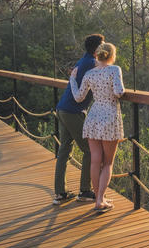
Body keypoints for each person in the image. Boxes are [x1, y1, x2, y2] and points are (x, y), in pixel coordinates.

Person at [70, 42, 125, 212]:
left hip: (93, 117)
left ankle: (97, 198)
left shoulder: (89, 74)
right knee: (107, 163)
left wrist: (72, 79)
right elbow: (119, 92)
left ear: (98, 55)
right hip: (109, 117)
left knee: (95, 160)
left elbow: (79, 97)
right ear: (111, 56)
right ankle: (100, 200)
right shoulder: (114, 70)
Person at [52, 33, 105, 205]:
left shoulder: (84, 60)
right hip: (73, 111)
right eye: (102, 45)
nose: (104, 47)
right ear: (97, 48)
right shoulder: (91, 63)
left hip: (63, 109)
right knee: (90, 150)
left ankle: (60, 193)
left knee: (64, 151)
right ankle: (85, 190)